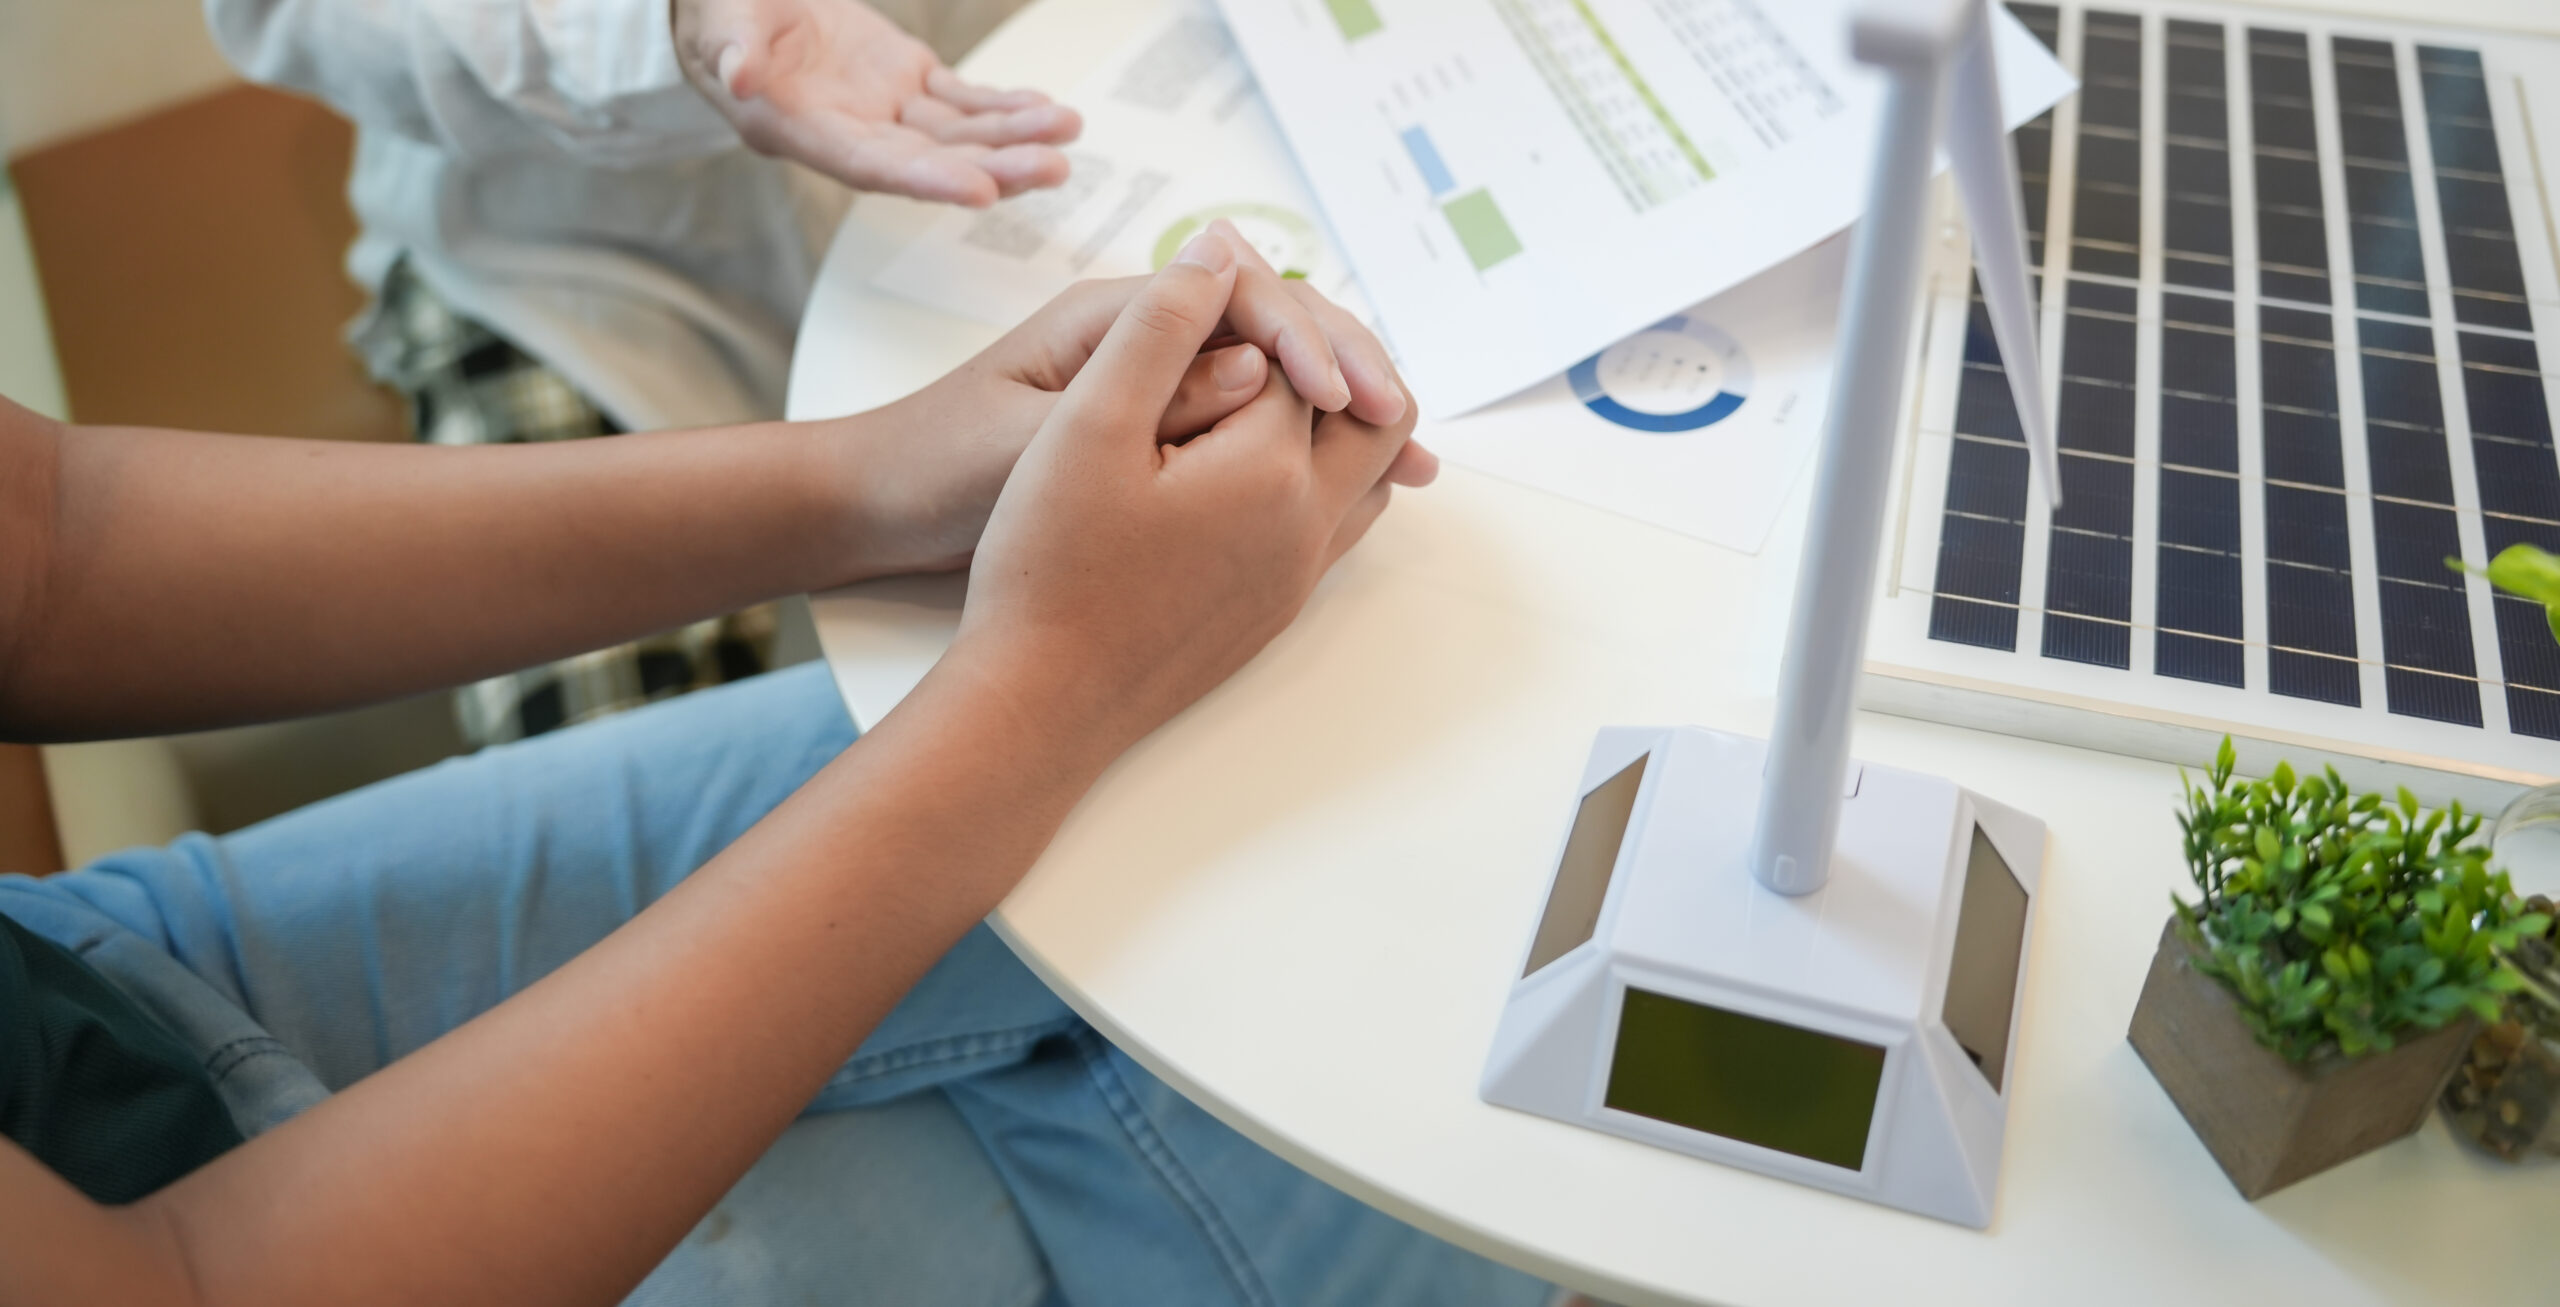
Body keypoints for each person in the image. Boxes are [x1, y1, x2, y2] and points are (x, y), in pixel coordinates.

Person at [0, 231, 1557, 1306]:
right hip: (209, 1263)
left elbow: (49, 548)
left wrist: (872, 476)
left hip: (83, 986)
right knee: (1394, 1086)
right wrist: (1054, 683)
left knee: (1295, 793)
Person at [70, 0, 1497, 744]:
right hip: (597, 288)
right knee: (654, 838)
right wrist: (662, 17)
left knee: (1305, 687)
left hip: (1014, 185)